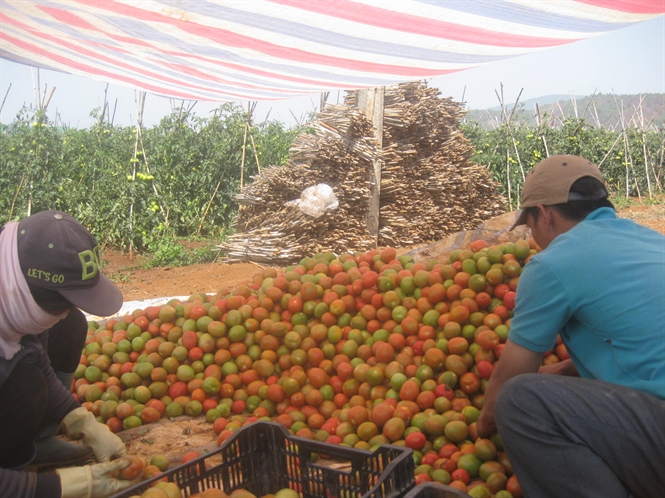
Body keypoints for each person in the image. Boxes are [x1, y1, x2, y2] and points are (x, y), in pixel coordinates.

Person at [475, 155, 665, 498]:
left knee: (520, 400)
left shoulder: (553, 263)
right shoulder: (651, 241)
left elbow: (507, 379)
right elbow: (639, 344)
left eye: (530, 225)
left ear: (544, 214)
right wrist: (565, 371)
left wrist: (485, 423)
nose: (533, 237)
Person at [1, 210, 138, 497]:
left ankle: (37, 443)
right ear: (24, 292)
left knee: (67, 327)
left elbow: (36, 359)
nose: (61, 314)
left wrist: (80, 420)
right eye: (57, 304)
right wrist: (62, 487)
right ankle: (12, 464)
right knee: (25, 383)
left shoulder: (10, 297)